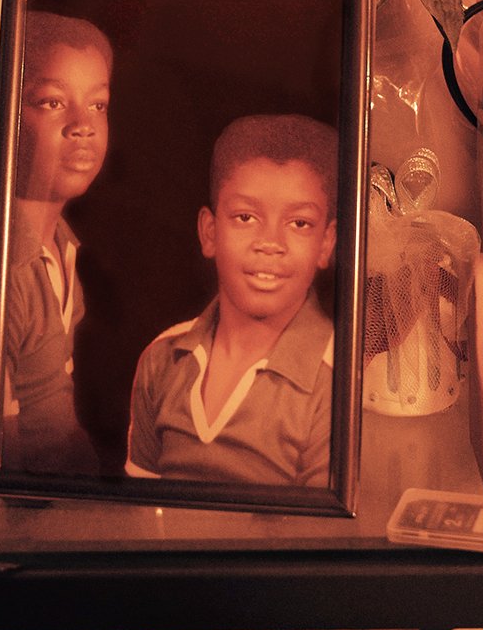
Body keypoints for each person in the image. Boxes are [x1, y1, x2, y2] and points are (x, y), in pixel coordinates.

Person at [126, 114, 337, 486]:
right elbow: (140, 518)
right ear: (209, 233)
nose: (270, 242)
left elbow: (316, 543)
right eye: (245, 217)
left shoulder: (335, 383)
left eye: (299, 223)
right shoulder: (162, 360)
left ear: (326, 244)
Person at [0, 11, 111, 475]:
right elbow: (4, 452)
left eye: (98, 105)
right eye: (51, 102)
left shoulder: (63, 245)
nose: (82, 125)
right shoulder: (11, 271)